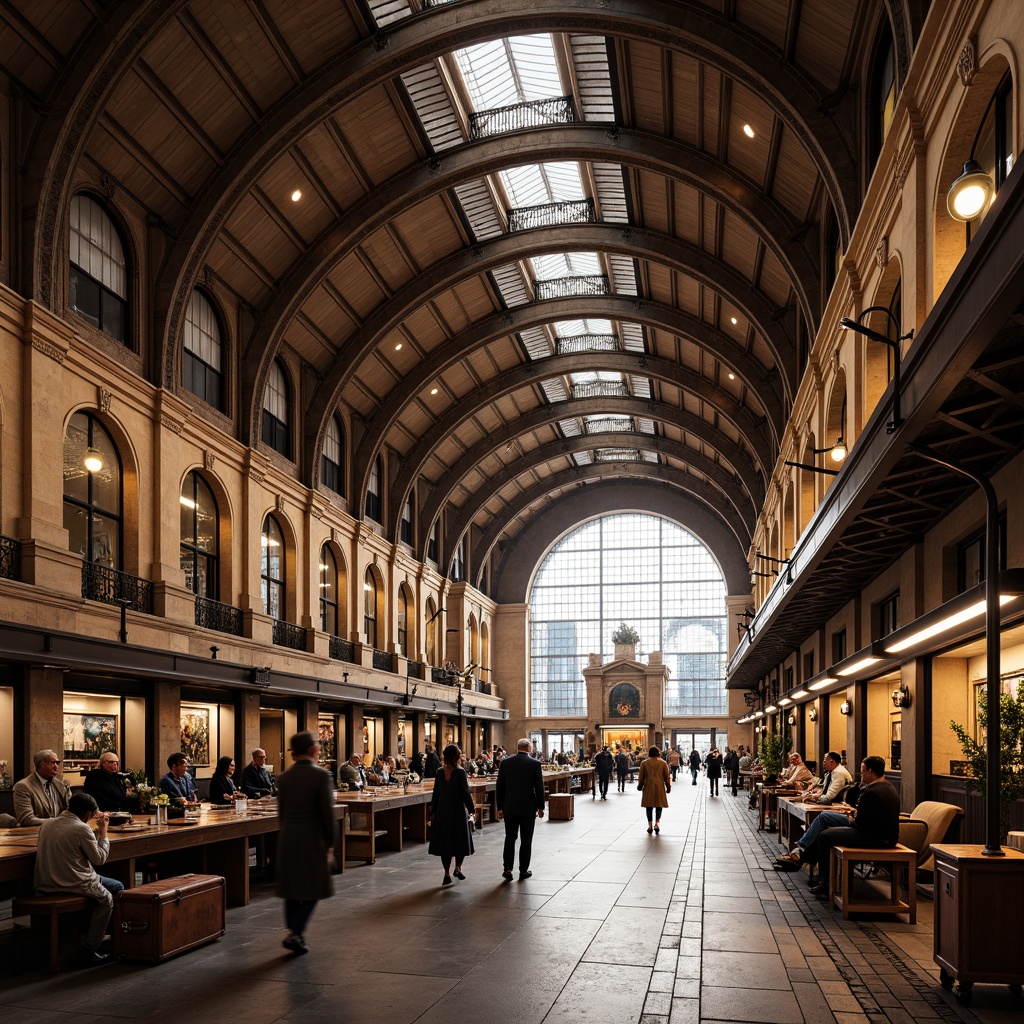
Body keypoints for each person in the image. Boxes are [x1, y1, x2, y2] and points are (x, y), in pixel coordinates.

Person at [773, 755, 900, 898]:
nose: (861, 775)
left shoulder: (871, 792)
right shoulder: (887, 787)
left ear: (870, 771)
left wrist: (852, 817)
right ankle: (802, 854)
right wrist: (855, 815)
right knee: (825, 816)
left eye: (862, 772)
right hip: (878, 833)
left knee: (825, 835)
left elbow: (860, 824)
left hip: (874, 837)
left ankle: (824, 880)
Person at [34, 791, 124, 966]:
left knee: (116, 885)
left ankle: (93, 934)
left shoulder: (47, 824)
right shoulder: (81, 828)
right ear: (87, 815)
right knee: (109, 898)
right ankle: (91, 948)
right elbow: (100, 859)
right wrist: (103, 830)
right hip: (73, 882)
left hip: (45, 882)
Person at [275, 730, 338, 954]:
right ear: (312, 750)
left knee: (292, 887)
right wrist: (330, 843)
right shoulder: (322, 776)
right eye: (318, 747)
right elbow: (327, 814)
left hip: (289, 837)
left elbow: (281, 814)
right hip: (312, 838)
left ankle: (294, 931)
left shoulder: (284, 777)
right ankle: (296, 932)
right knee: (314, 887)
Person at [496, 737, 545, 881]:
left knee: (510, 838)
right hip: (528, 808)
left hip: (510, 807)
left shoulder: (505, 763)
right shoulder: (535, 764)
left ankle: (508, 869)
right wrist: (540, 807)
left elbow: (500, 786)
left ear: (518, 747)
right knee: (526, 839)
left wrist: (500, 807)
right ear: (529, 748)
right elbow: (539, 787)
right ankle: (523, 870)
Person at [428, 743, 475, 885]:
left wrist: (433, 811)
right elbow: (464, 792)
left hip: (443, 811)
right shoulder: (460, 772)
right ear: (456, 756)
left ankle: (446, 873)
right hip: (458, 810)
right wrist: (472, 809)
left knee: (445, 842)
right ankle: (458, 868)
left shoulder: (439, 772)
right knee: (460, 840)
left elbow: (436, 793)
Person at [14, 749, 71, 825]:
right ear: (42, 764)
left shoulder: (60, 785)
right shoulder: (23, 786)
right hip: (36, 833)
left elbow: (70, 810)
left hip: (60, 832)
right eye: (54, 763)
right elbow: (26, 819)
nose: (57, 767)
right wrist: (57, 821)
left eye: (58, 763)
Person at [638, 746, 671, 834]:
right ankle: (657, 824)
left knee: (649, 806)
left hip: (648, 786)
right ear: (658, 753)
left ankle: (650, 825)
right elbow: (667, 777)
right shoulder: (663, 763)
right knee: (659, 805)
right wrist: (668, 787)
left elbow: (641, 777)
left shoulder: (644, 763)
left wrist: (640, 786)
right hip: (660, 786)